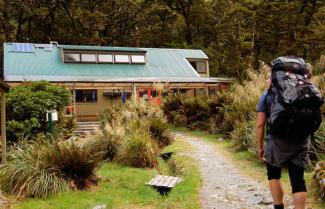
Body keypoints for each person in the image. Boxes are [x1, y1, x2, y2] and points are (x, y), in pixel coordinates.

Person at [256, 77, 309, 209]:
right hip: (301, 141)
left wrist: (260, 147)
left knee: (273, 175)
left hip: (276, 143)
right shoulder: (305, 92)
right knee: (298, 180)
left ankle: (278, 206)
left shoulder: (268, 95)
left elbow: (260, 125)